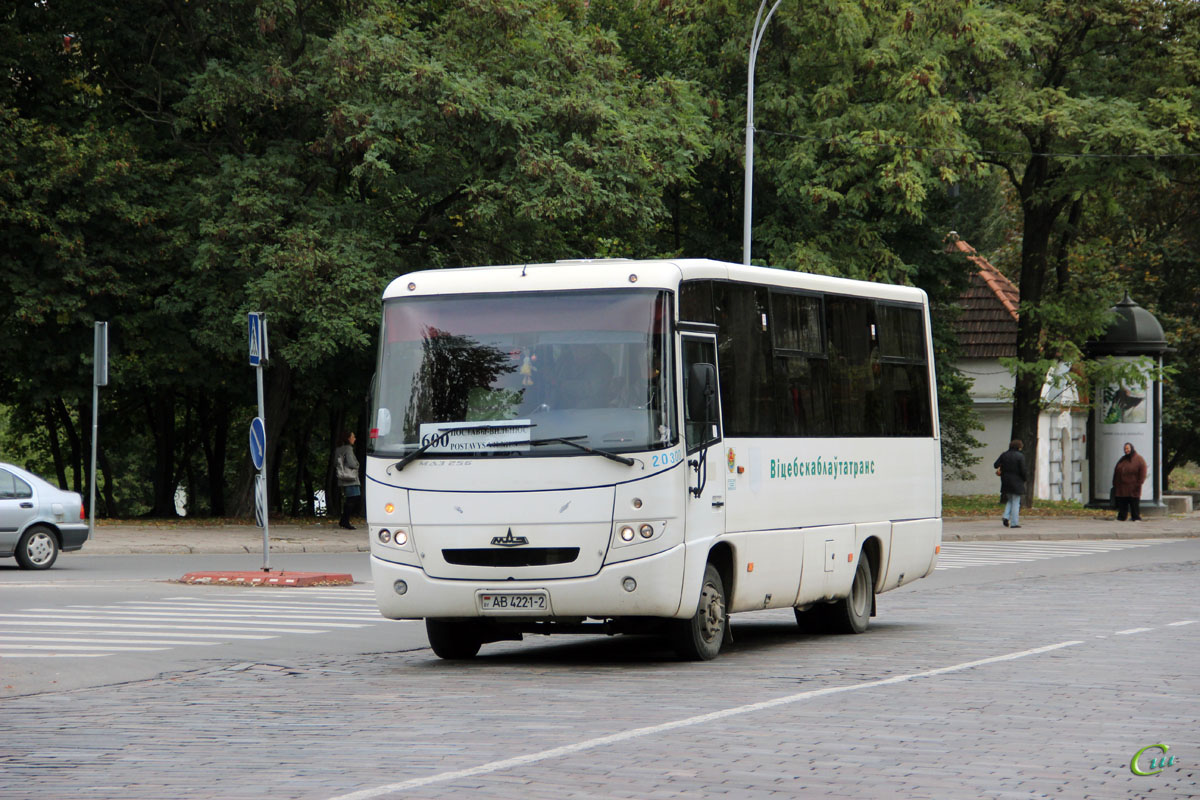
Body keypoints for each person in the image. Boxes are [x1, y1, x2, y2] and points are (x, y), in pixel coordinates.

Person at [993, 439, 1027, 529]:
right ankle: (1014, 523)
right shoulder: (1020, 456)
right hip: (1017, 481)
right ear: (1019, 447)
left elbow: (995, 465)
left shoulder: (1004, 455)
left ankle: (1006, 517)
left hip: (1005, 480)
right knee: (1016, 502)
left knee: (1010, 500)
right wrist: (1025, 479)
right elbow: (1023, 470)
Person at [1111, 442, 1148, 522]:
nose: (1126, 450)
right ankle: (1122, 517)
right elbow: (1116, 471)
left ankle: (1136, 517)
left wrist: (1139, 483)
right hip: (1122, 487)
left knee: (1134, 503)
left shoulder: (1139, 459)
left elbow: (1143, 473)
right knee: (1122, 503)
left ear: (1132, 448)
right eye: (1125, 449)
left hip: (1133, 487)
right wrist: (1115, 483)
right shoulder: (1122, 459)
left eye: (1127, 448)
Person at [335, 430, 361, 530]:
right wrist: (357, 465)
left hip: (343, 477)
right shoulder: (348, 449)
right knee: (353, 498)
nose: (354, 438)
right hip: (351, 478)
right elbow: (351, 463)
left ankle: (344, 520)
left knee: (350, 499)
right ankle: (345, 521)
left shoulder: (339, 449)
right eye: (353, 436)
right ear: (348, 438)